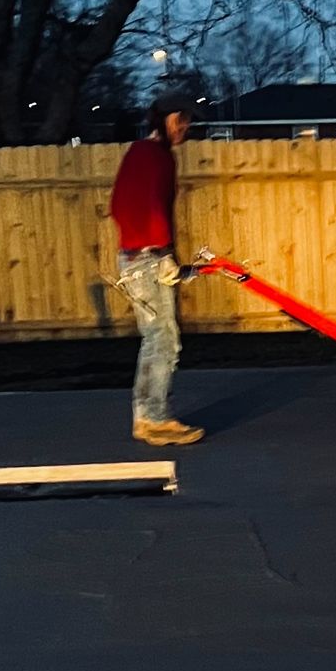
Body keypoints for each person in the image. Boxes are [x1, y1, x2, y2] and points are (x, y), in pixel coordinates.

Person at [109, 99, 204, 446]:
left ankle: (148, 416)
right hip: (146, 259)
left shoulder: (145, 154)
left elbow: (122, 207)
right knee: (164, 340)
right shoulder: (153, 156)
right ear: (165, 120)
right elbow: (142, 206)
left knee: (158, 339)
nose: (184, 129)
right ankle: (154, 418)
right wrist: (161, 253)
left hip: (141, 257)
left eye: (186, 123)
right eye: (181, 122)